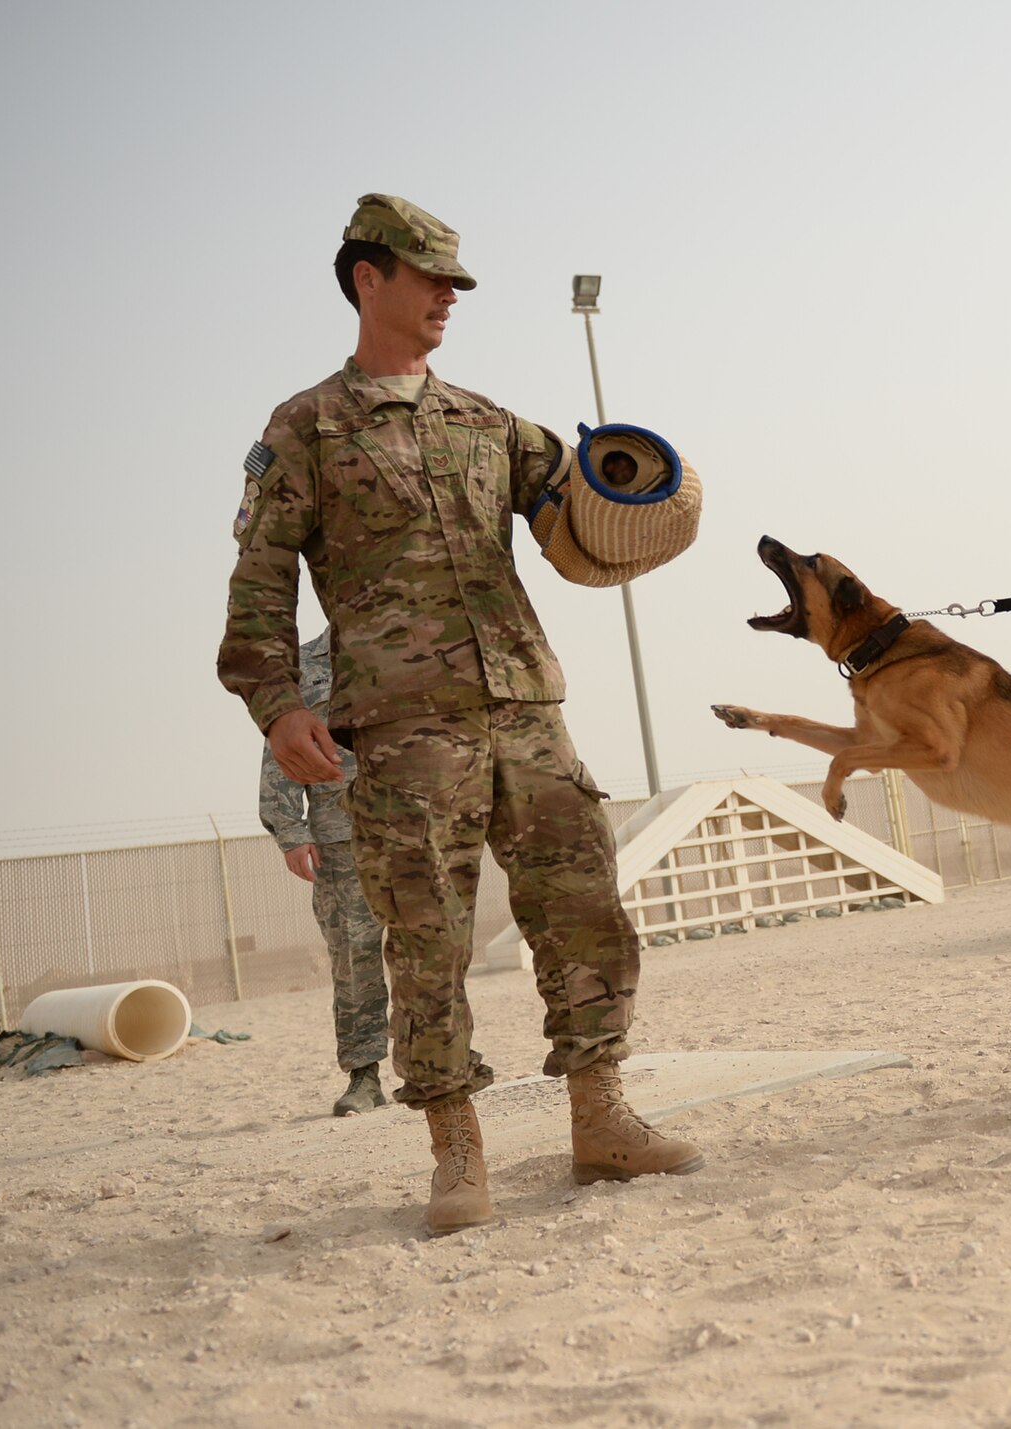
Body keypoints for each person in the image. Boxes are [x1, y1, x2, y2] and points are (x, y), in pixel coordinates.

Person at [219, 194, 705, 1235]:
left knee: (581, 905)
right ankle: (456, 1148)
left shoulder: (489, 424)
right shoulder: (305, 427)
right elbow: (259, 581)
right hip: (401, 725)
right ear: (368, 279)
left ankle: (600, 1117)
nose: (448, 296)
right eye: (430, 276)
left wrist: (635, 491)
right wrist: (271, 704)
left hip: (525, 705)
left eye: (455, 281)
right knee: (424, 938)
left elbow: (584, 524)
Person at [258, 627, 391, 1117]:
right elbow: (283, 748)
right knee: (354, 958)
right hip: (341, 837)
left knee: (433, 945)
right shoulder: (304, 663)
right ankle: (365, 1075)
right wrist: (290, 830)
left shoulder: (405, 638)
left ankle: (442, 1059)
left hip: (415, 824)